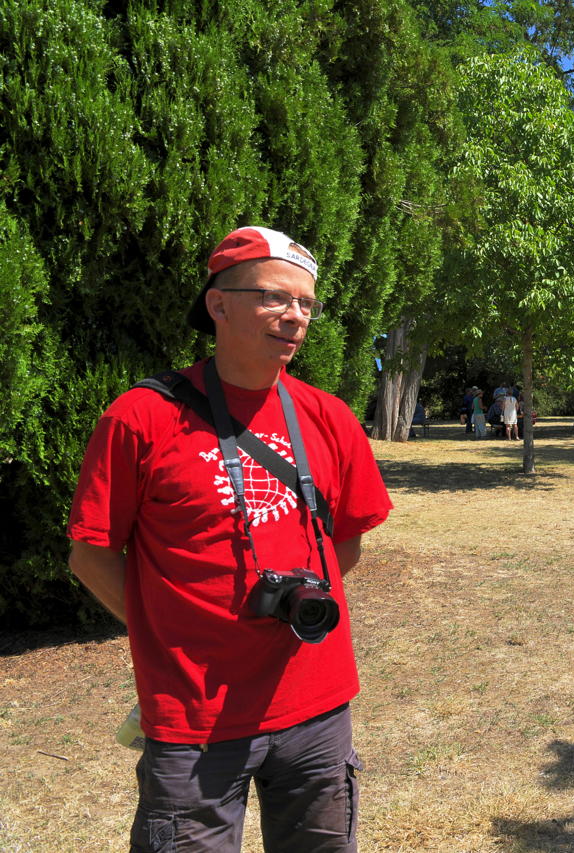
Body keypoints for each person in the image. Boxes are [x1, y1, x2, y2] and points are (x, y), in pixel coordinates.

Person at [67, 226, 393, 852]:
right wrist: (170, 630)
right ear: (219, 304)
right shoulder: (141, 416)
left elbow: (344, 543)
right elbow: (90, 553)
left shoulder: (329, 415)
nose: (295, 317)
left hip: (316, 706)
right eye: (275, 298)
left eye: (306, 303)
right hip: (194, 717)